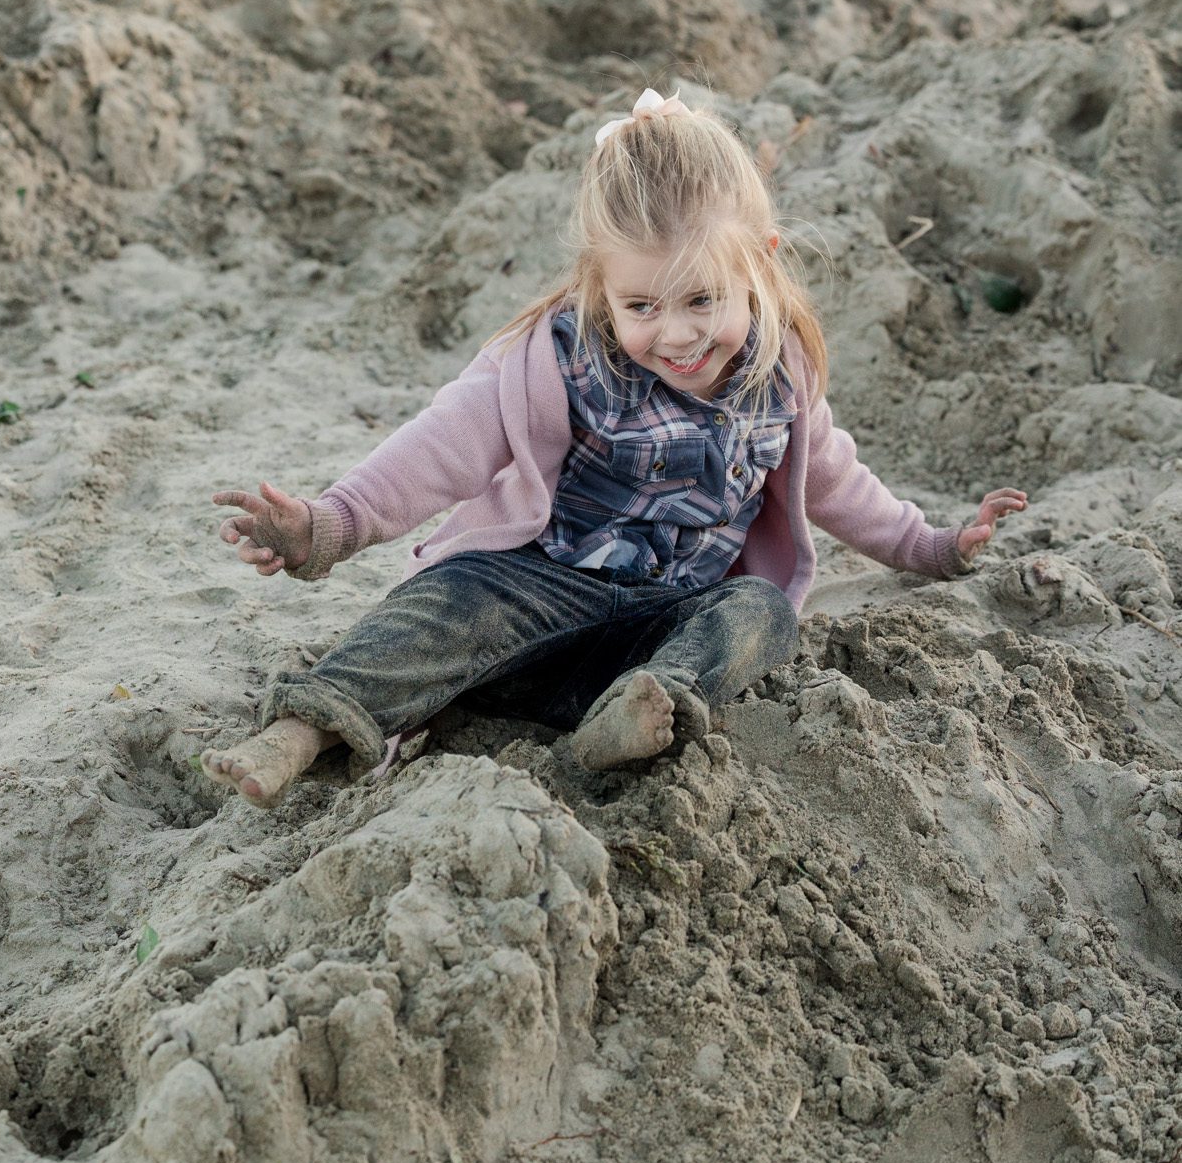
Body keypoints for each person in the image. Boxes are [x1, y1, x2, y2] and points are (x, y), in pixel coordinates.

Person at [202, 85, 1028, 806]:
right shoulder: (554, 362)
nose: (676, 335)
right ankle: (306, 727)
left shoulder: (777, 376)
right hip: (536, 598)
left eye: (701, 300)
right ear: (600, 283)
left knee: (761, 613)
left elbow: (837, 483)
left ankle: (637, 714)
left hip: (661, 627)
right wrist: (328, 525)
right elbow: (437, 449)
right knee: (445, 601)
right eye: (641, 307)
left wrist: (928, 546)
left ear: (759, 266)